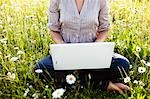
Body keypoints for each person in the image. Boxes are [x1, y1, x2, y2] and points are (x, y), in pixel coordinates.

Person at [35, 0, 130, 92]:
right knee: (41, 68)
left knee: (122, 64)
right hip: (66, 54)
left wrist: (96, 45)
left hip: (92, 54)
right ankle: (101, 84)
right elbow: (53, 29)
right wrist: (63, 47)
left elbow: (104, 29)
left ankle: (74, 80)